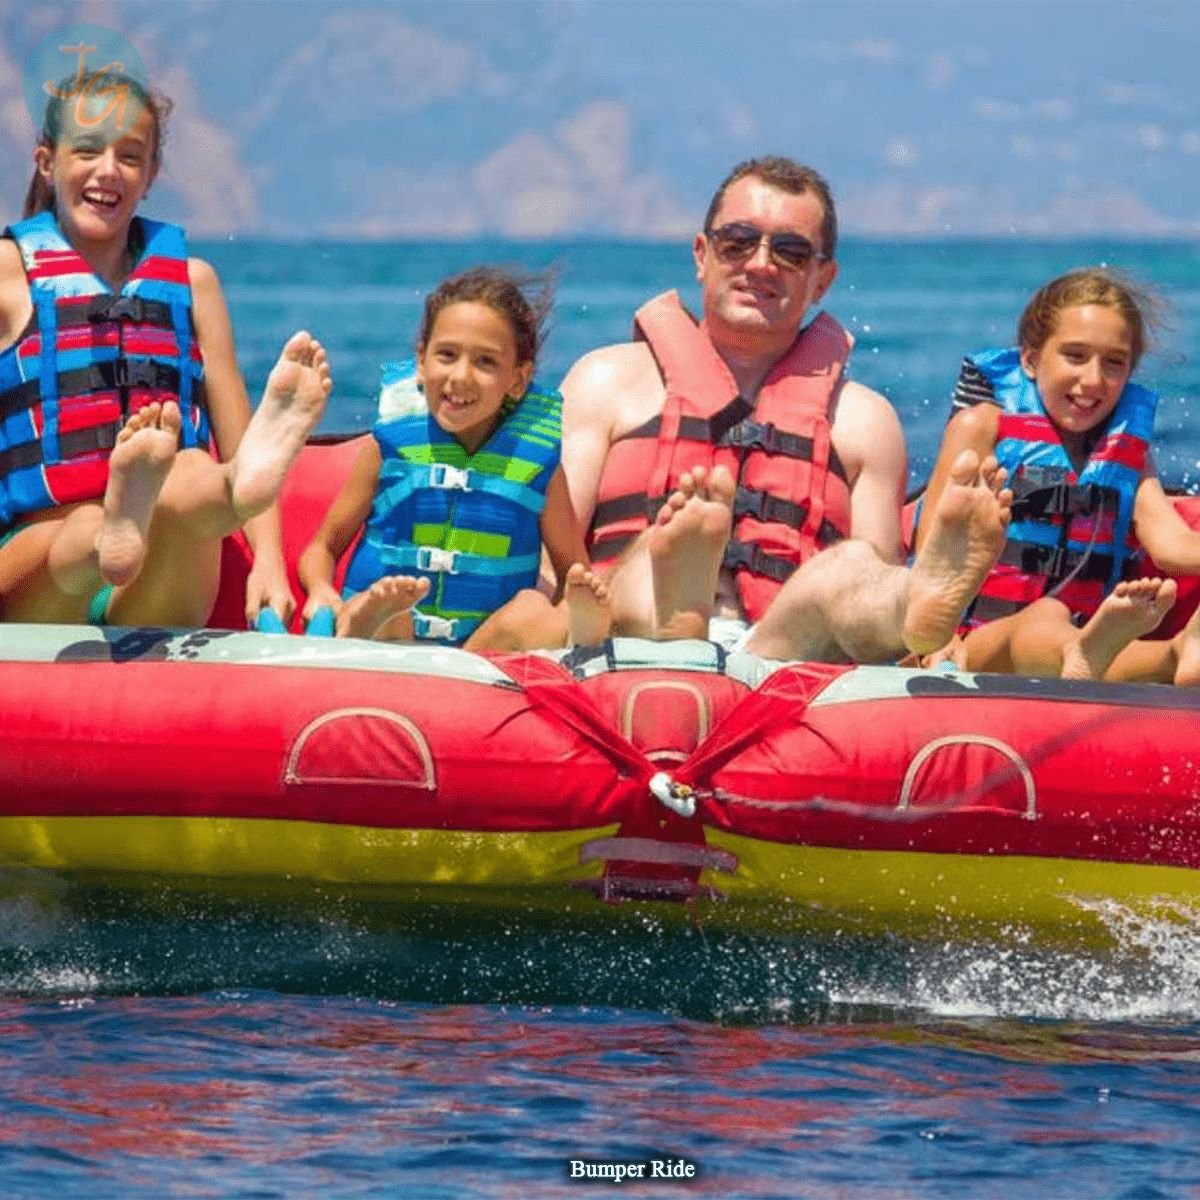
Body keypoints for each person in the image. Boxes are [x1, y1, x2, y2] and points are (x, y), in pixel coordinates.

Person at [546, 155, 1010, 663]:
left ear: (821, 280)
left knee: (851, 567)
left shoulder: (864, 421)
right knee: (650, 557)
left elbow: (865, 588)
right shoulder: (606, 382)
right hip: (626, 640)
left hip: (780, 652)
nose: (761, 263)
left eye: (790, 252)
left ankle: (918, 601)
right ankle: (679, 617)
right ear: (702, 254)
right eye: (738, 241)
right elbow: (552, 560)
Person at [0, 69, 329, 629]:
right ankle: (113, 530)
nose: (109, 170)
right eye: (87, 150)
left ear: (150, 175)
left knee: (192, 469)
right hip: (41, 574)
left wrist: (269, 563)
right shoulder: (9, 277)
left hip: (157, 579)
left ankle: (231, 491)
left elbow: (238, 435)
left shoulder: (194, 284)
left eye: (130, 157)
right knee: (83, 533)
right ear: (47, 162)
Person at [917, 267, 1200, 685]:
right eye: (1075, 356)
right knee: (1046, 616)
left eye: (1114, 363)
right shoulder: (982, 426)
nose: (1093, 379)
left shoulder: (1130, 456)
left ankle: (1179, 654)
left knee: (1063, 626)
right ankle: (1085, 651)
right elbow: (931, 549)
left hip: (1083, 637)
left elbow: (1172, 546)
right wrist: (934, 637)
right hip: (970, 643)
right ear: (1031, 360)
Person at [297, 266, 607, 646]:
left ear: (517, 380)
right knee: (383, 608)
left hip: (481, 649)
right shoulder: (386, 449)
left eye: (485, 362)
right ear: (421, 361)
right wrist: (320, 590)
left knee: (531, 608)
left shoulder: (539, 469)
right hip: (388, 635)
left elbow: (572, 571)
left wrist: (572, 605)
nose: (460, 376)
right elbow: (323, 547)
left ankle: (566, 632)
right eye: (446, 355)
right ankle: (377, 618)